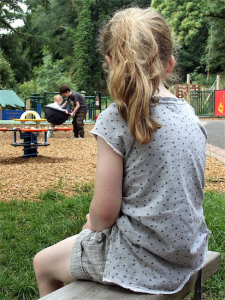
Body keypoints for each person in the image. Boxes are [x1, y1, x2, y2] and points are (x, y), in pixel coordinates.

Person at [33, 7, 210, 297]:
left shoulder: (117, 118)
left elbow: (103, 215)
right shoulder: (190, 114)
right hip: (187, 252)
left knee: (43, 263)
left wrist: (92, 225)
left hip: (140, 261)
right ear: (169, 64)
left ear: (110, 62)